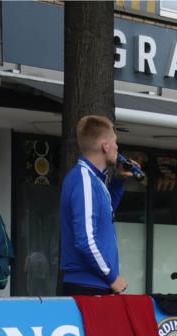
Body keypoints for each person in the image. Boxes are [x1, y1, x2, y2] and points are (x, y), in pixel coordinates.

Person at [60, 115, 138, 296]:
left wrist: (118, 181)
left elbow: (106, 215)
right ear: (105, 145)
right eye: (115, 142)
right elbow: (86, 240)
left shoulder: (93, 180)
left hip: (93, 283)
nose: (118, 148)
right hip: (88, 285)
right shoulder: (84, 180)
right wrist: (111, 277)